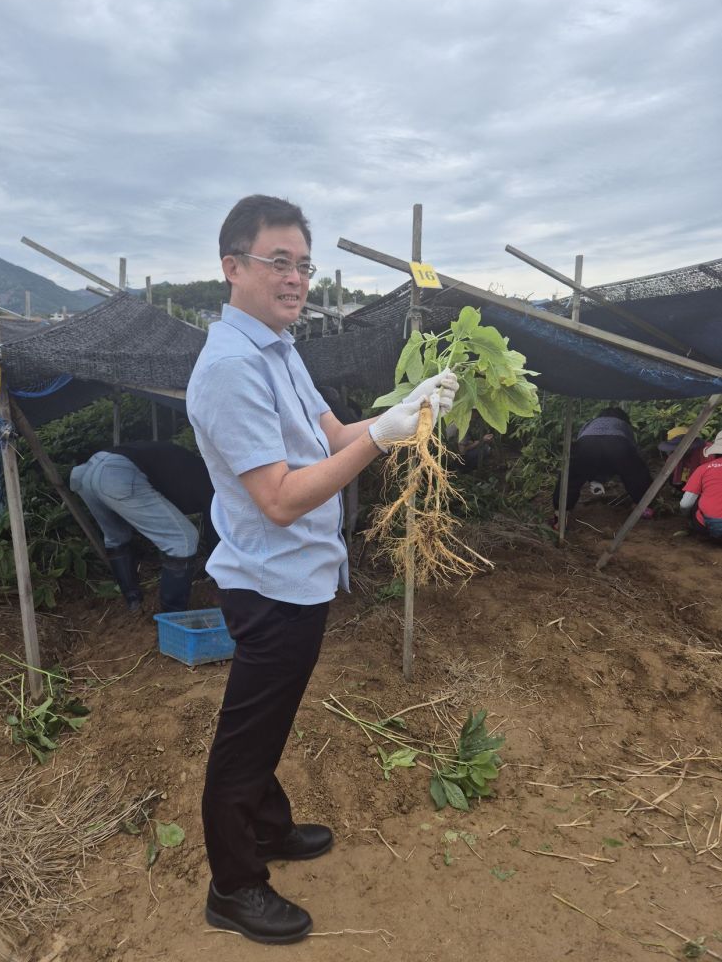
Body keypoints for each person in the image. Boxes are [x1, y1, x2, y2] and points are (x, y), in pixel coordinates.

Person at [186, 194, 458, 945]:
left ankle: (268, 828)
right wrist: (380, 442)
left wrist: (402, 413)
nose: (296, 278)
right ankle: (234, 885)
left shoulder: (277, 348)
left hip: (298, 575)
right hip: (268, 579)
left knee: (270, 718)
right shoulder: (231, 367)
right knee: (246, 739)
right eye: (279, 262)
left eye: (303, 264)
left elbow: (335, 434)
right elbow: (275, 498)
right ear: (231, 267)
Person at [70, 440, 217, 612]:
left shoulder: (192, 469)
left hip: (89, 471)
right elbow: (216, 531)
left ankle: (133, 602)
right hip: (117, 474)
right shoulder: (213, 484)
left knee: (116, 537)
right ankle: (173, 616)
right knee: (183, 540)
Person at [551, 407, 653, 528]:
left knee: (571, 477)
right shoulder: (623, 424)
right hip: (618, 442)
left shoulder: (591, 423)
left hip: (587, 443)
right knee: (636, 473)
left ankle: (560, 514)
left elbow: (583, 447)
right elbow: (631, 451)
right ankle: (643, 505)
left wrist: (592, 476)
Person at [680, 430, 722, 539]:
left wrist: (687, 517)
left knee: (695, 500)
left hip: (709, 529)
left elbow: (685, 504)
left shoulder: (703, 469)